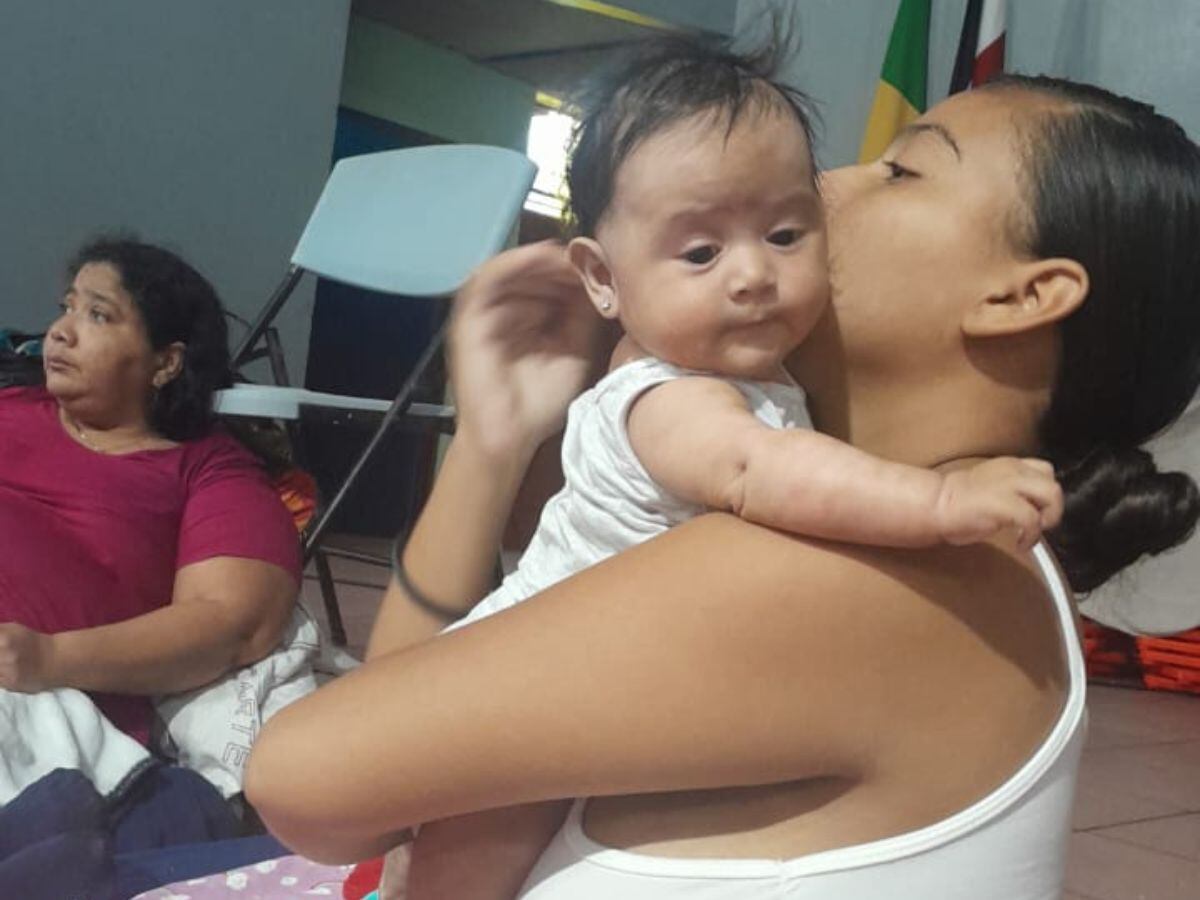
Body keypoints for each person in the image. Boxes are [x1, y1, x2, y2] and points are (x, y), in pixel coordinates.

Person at [245, 71, 1200, 900]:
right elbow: (417, 733)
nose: (822, 183)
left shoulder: (878, 572)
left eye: (901, 168)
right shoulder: (947, 557)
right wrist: (493, 446)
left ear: (1020, 295)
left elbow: (315, 780)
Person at [456, 39, 1061, 641]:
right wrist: (939, 502)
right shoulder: (668, 398)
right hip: (519, 658)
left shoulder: (729, 367)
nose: (752, 276)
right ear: (603, 278)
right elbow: (760, 468)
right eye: (701, 252)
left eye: (784, 235)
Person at [0, 237, 301, 744]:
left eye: (98, 315)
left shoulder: (208, 471)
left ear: (166, 362)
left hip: (32, 706)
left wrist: (51, 658)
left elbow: (232, 625)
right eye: (67, 308)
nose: (58, 333)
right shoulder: (12, 405)